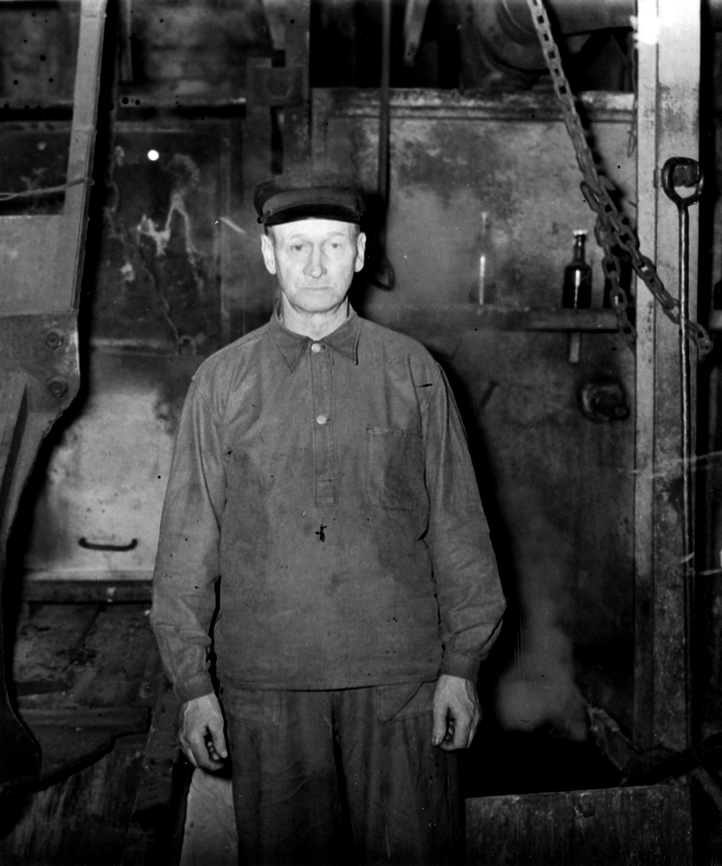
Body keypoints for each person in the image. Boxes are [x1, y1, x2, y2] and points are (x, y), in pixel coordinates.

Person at [151, 167, 506, 865]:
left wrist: (462, 665)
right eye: (297, 246)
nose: (316, 265)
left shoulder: (412, 371)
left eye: (334, 245)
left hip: (401, 683)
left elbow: (459, 527)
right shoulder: (222, 381)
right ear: (268, 254)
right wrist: (193, 686)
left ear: (361, 252)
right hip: (266, 684)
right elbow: (188, 547)